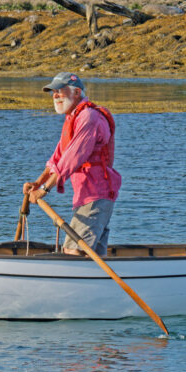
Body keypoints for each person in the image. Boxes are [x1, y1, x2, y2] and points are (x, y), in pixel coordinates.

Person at [24, 72, 122, 256]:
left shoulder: (89, 117)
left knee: (73, 250)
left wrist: (44, 190)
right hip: (86, 195)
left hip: (96, 195)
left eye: (60, 91)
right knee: (93, 254)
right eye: (53, 92)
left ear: (77, 92)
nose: (55, 95)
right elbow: (58, 158)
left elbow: (72, 158)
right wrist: (38, 182)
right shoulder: (73, 118)